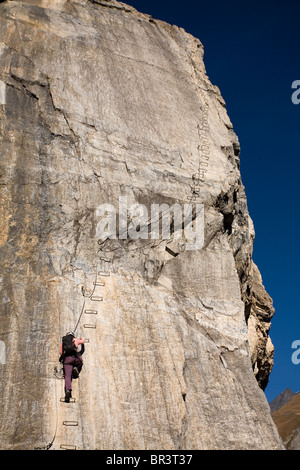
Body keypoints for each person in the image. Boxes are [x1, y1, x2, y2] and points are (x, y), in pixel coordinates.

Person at [59, 331, 85, 403]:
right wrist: (81, 338)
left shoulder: (63, 342)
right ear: (73, 336)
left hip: (67, 361)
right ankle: (76, 368)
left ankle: (68, 391)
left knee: (67, 376)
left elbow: (60, 352)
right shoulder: (75, 340)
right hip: (75, 358)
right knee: (80, 361)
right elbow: (83, 341)